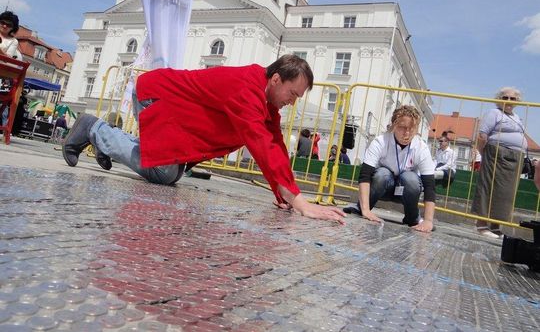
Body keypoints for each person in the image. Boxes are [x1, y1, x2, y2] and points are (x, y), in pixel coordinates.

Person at [62, 54, 346, 224]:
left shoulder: (266, 102)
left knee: (167, 169)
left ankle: (106, 141)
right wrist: (298, 202)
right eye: (292, 94)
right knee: (164, 173)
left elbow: (275, 147)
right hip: (158, 95)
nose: (292, 102)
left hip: (175, 109)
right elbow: (261, 144)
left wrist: (284, 197)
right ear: (275, 80)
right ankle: (94, 129)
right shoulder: (246, 89)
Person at [344, 105, 436, 233]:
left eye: (412, 129)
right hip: (383, 187)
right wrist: (365, 210)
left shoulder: (421, 147)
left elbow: (430, 185)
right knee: (382, 174)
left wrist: (428, 221)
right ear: (394, 125)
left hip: (407, 191)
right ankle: (363, 208)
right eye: (402, 128)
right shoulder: (380, 141)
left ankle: (412, 218)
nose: (407, 133)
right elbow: (364, 175)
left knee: (411, 178)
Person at [472, 87, 527, 239]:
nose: (508, 101)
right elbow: (482, 135)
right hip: (496, 154)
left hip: (514, 158)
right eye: (505, 97)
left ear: (517, 101)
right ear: (499, 99)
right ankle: (482, 224)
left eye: (512, 98)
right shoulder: (494, 113)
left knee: (505, 194)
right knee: (489, 188)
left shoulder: (516, 117)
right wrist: (485, 154)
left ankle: (496, 226)